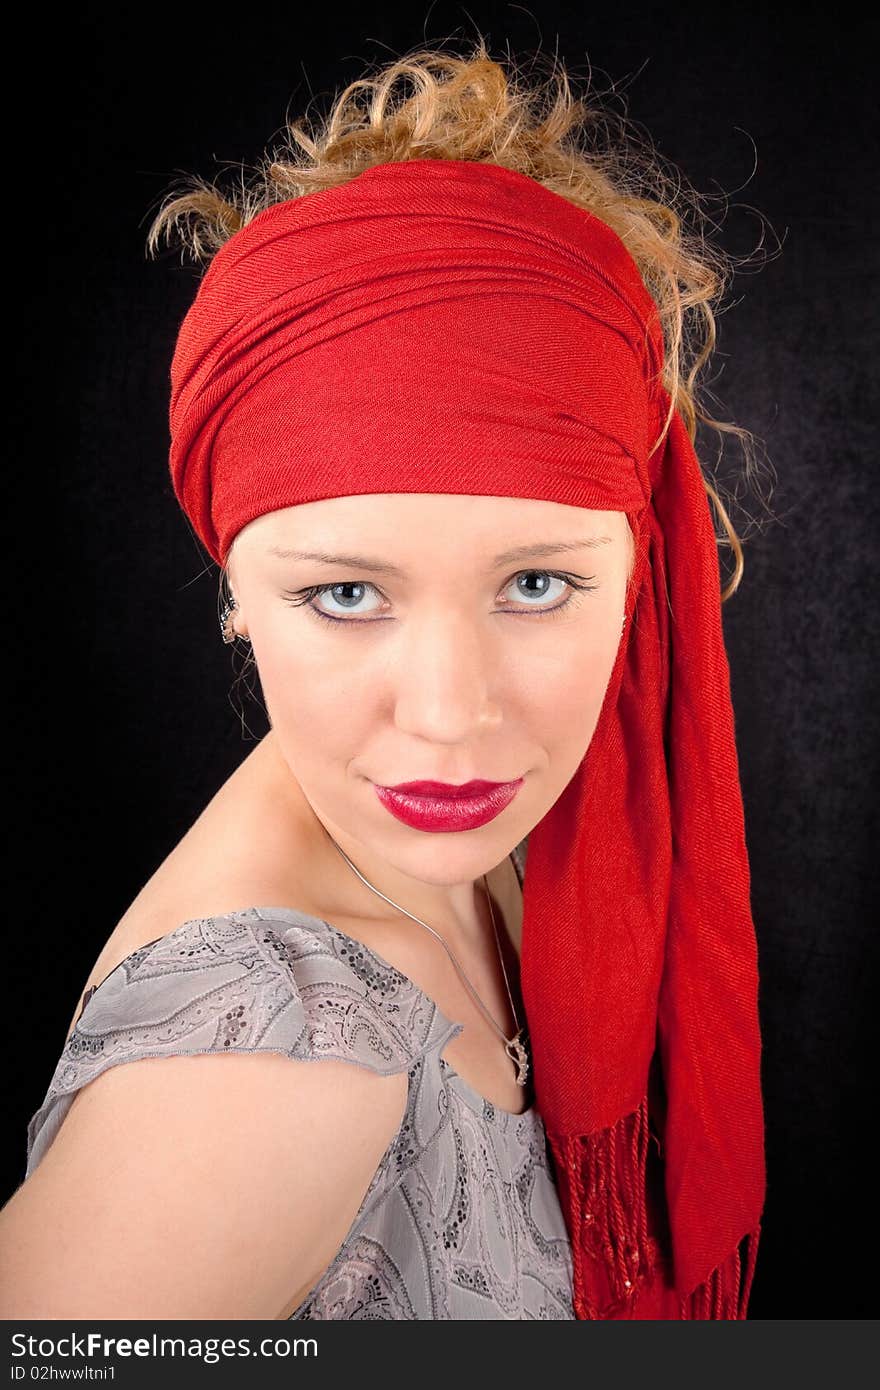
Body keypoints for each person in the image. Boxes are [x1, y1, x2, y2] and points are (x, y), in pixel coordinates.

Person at [0, 40, 767, 1320]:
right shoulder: (262, 1066)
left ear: (638, 570)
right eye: (345, 594)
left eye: (535, 585)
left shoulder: (511, 839)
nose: (453, 717)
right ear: (234, 590)